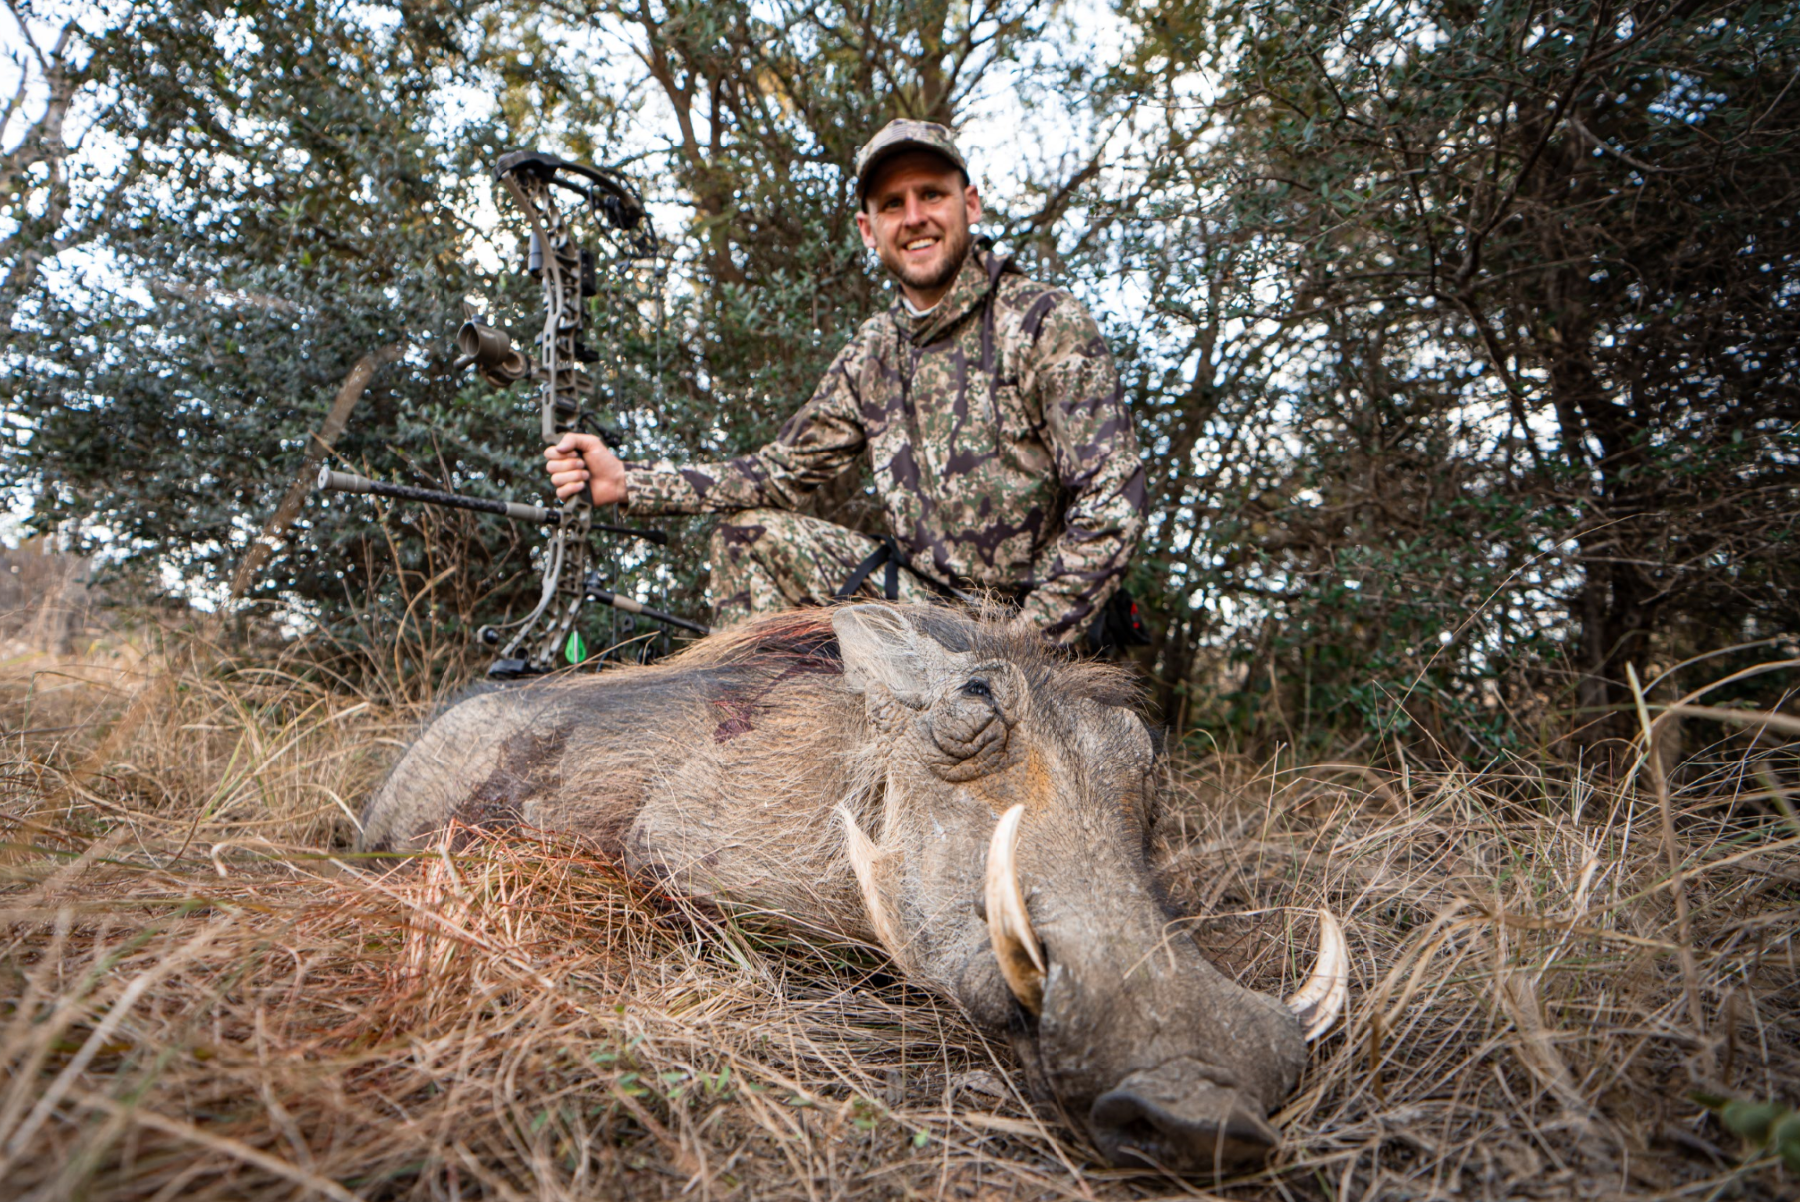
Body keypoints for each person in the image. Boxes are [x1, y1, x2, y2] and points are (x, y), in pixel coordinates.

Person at [545, 118, 1146, 645]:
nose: (914, 218)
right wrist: (629, 483)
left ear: (971, 203)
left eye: (931, 194)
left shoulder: (1044, 322)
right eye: (892, 204)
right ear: (868, 228)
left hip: (1031, 623)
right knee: (748, 538)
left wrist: (1026, 645)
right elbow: (779, 473)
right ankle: (746, 754)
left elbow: (1111, 499)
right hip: (926, 608)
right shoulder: (873, 352)